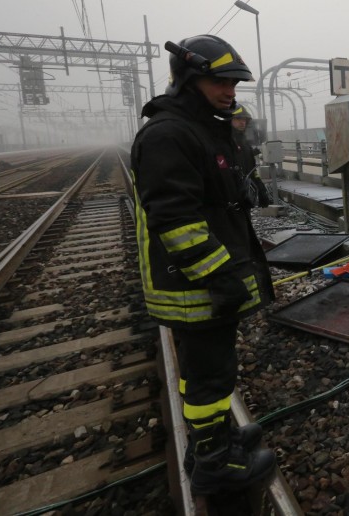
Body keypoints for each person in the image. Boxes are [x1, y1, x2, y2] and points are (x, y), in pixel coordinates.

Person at [130, 35, 276, 496]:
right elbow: (175, 220)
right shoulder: (168, 134)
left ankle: (215, 437)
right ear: (190, 78)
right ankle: (214, 460)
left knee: (213, 367)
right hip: (195, 284)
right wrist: (219, 275)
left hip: (208, 279)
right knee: (209, 372)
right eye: (220, 81)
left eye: (234, 82)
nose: (230, 91)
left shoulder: (201, 128)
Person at [231, 105, 271, 208]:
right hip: (227, 201)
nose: (242, 122)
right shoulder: (221, 143)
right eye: (238, 118)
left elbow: (252, 170)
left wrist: (262, 190)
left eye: (245, 119)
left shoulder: (245, 144)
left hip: (243, 199)